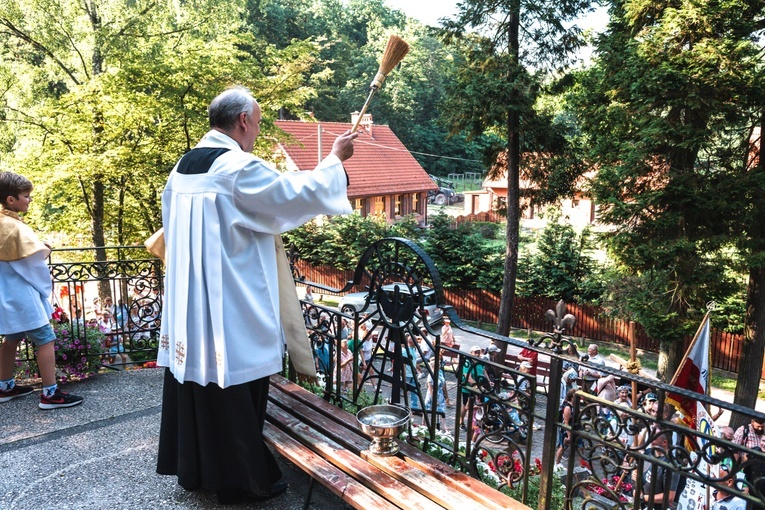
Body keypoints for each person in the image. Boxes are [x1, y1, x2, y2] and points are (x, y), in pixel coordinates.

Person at [155, 87, 358, 504]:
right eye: (259, 122)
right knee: (235, 388)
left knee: (197, 385)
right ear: (243, 121)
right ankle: (242, 480)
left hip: (192, 302)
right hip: (231, 303)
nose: (258, 130)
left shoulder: (183, 167)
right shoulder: (237, 167)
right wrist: (335, 160)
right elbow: (291, 196)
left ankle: (198, 472)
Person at [0, 171, 84, 409]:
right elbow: (30, 264)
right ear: (11, 200)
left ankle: (4, 387)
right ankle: (50, 393)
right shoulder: (15, 227)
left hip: (4, 294)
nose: (29, 200)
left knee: (11, 338)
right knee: (46, 339)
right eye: (26, 196)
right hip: (22, 296)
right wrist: (44, 249)